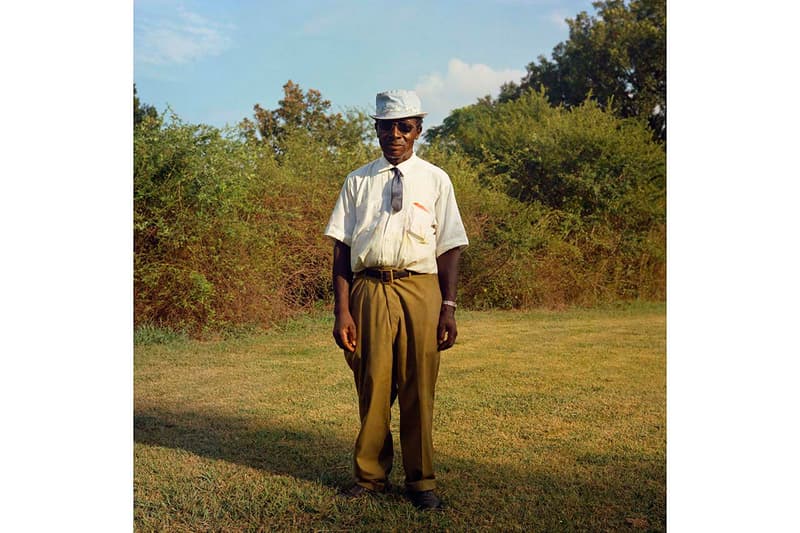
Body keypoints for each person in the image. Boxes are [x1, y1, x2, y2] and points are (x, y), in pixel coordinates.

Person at [324, 89, 469, 511]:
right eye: (386, 127)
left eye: (404, 127)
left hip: (421, 289)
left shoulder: (436, 179)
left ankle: (421, 480)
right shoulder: (358, 180)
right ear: (376, 130)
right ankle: (370, 477)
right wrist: (342, 310)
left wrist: (448, 307)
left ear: (418, 130)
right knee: (372, 384)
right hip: (369, 288)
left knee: (419, 385)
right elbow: (342, 249)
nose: (395, 135)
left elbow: (450, 247)